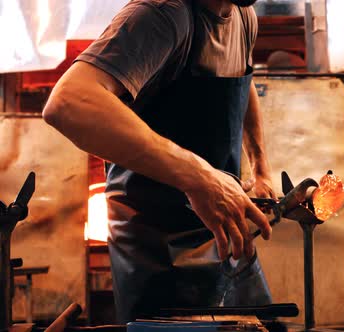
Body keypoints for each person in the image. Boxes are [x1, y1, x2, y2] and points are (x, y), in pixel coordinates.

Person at [42, 0, 275, 323]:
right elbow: (68, 102)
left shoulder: (243, 15)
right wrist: (201, 177)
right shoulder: (162, 14)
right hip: (157, 250)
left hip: (219, 232)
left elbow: (242, 79)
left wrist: (261, 168)